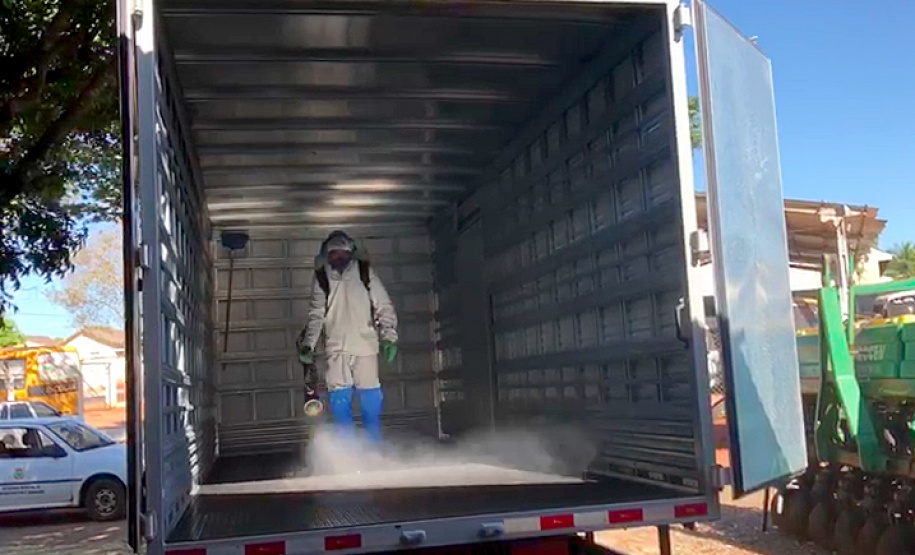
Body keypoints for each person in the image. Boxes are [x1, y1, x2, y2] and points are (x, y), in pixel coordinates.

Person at [298, 231, 398, 444]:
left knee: (370, 397)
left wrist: (389, 336)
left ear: (349, 253)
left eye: (341, 253)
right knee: (339, 401)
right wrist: (308, 344)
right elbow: (316, 314)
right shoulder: (322, 277)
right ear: (327, 255)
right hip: (336, 348)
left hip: (365, 345)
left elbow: (383, 306)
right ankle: (349, 453)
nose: (337, 258)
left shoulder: (364, 272)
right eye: (333, 254)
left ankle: (374, 448)